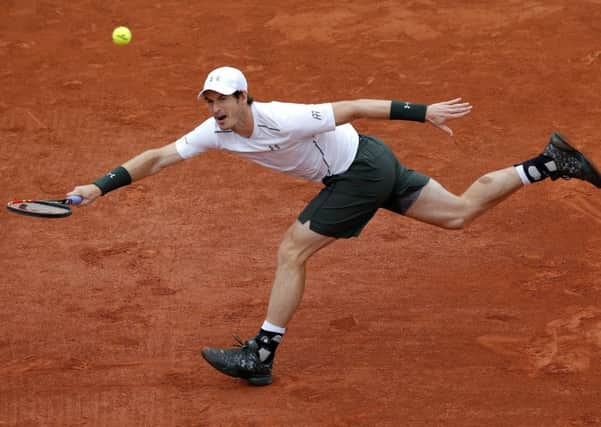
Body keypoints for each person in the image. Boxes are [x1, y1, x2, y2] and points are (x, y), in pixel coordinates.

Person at [69, 66, 601, 386]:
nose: (213, 109)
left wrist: (424, 112)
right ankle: (548, 164)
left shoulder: (285, 115)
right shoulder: (216, 133)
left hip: (360, 169)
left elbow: (355, 106)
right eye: (207, 101)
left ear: (243, 98)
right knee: (459, 213)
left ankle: (261, 353)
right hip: (371, 164)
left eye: (221, 100)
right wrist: (100, 184)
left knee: (292, 251)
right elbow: (158, 157)